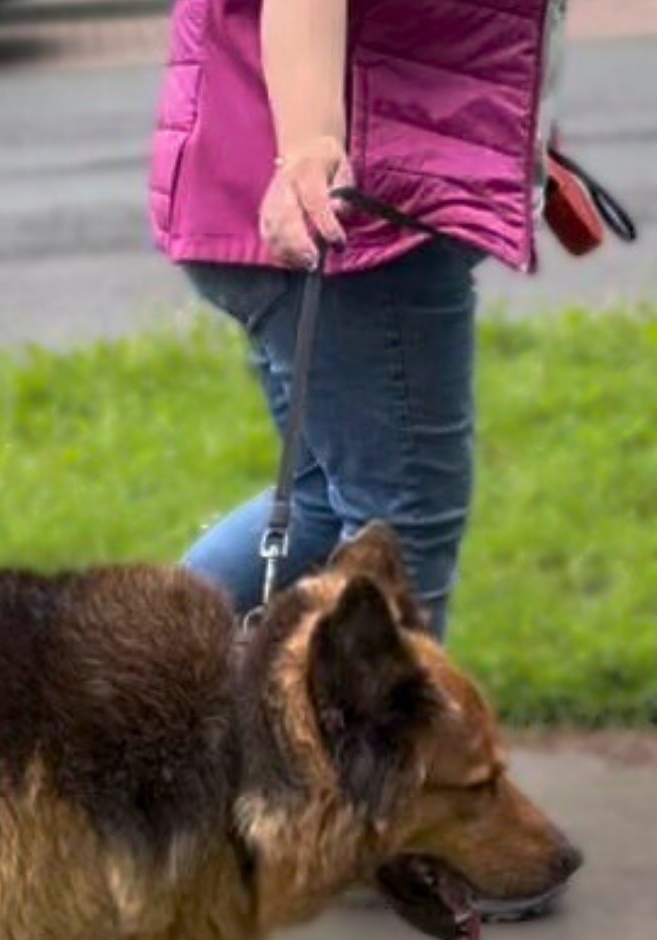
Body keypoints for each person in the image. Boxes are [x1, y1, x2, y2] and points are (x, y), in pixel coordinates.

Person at [150, 0, 566, 640]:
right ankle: (140, 677)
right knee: (398, 529)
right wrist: (309, 146)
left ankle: (127, 677)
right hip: (350, 207)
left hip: (279, 168)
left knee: (324, 503)